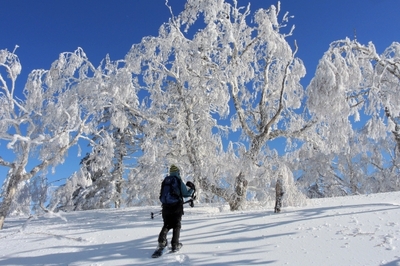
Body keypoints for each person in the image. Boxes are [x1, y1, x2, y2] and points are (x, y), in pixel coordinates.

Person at [156, 164, 195, 252]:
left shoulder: (165, 181)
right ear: (178, 172)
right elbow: (186, 194)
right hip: (176, 206)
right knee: (176, 224)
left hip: (165, 207)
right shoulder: (178, 180)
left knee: (167, 224)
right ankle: (175, 244)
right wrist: (192, 188)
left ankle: (161, 241)